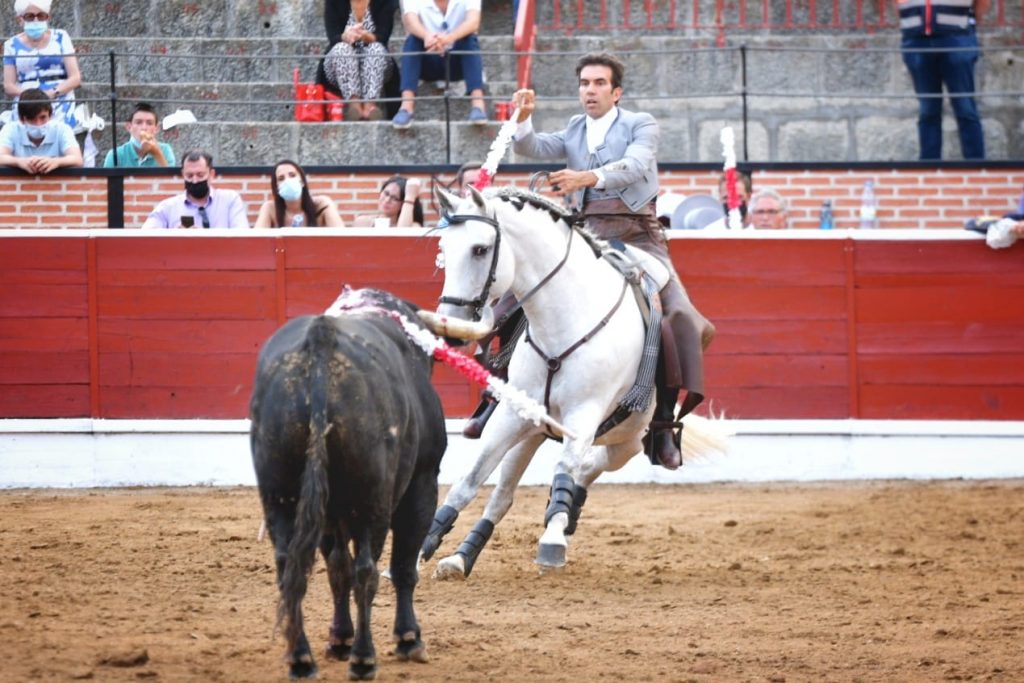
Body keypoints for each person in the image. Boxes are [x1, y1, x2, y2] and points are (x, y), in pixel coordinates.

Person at [506, 52, 715, 470]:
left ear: (616, 92)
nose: (590, 90)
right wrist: (522, 117)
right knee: (511, 300)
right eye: (584, 83)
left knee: (682, 320)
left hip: (638, 231)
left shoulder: (641, 123)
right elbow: (530, 146)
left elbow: (636, 167)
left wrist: (586, 177)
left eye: (599, 83)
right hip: (587, 233)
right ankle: (495, 398)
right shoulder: (573, 128)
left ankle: (661, 425)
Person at [897, 0, 988, 160]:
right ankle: (929, 170)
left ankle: (976, 167)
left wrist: (968, 24)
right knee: (927, 109)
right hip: (916, 39)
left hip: (957, 37)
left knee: (965, 107)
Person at [392, 0, 487, 128]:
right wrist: (427, 36)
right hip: (428, 58)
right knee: (413, 40)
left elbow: (473, 22)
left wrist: (449, 38)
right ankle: (406, 107)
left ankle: (478, 105)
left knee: (469, 38)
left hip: (457, 61)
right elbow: (410, 22)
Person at [3, 0, 81, 131]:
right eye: (29, 16)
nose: (36, 20)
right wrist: (32, 96)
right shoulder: (10, 45)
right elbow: (9, 85)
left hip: (58, 95)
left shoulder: (61, 37)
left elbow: (75, 77)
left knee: (58, 129)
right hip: (26, 98)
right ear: (20, 19)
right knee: (24, 125)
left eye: (41, 16)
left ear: (48, 17)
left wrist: (52, 93)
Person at [322, 0, 399, 121]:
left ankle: (370, 106)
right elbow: (332, 36)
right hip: (340, 65)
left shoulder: (384, 2)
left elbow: (383, 36)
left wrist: (367, 37)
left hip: (375, 64)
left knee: (376, 49)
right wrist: (345, 36)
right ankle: (354, 106)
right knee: (342, 49)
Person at [141, 150, 249, 229]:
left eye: (200, 175)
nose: (195, 181)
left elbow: (242, 237)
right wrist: (173, 237)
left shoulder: (230, 200)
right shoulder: (167, 207)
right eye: (189, 175)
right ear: (183, 175)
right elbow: (145, 238)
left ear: (211, 174)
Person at [0, 86, 81, 173]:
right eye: (32, 119)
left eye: (43, 117)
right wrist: (19, 162)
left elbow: (77, 160)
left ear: (50, 115)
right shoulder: (10, 129)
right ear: (22, 119)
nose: (38, 123)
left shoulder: (62, 129)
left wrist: (56, 162)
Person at [254, 160, 344, 228]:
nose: (287, 181)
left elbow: (342, 238)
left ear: (302, 182)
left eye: (292, 175)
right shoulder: (270, 208)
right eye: (281, 179)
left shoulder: (322, 204)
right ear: (276, 188)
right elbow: (256, 242)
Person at [102, 102, 176, 168]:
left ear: (156, 129)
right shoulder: (116, 155)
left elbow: (172, 181)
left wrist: (156, 153)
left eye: (149, 123)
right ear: (129, 127)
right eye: (138, 122)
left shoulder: (165, 150)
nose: (144, 128)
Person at [351, 175, 424, 227]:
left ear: (403, 204)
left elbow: (403, 239)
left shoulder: (413, 226)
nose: (387, 200)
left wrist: (410, 197)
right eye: (386, 193)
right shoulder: (363, 222)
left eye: (395, 198)